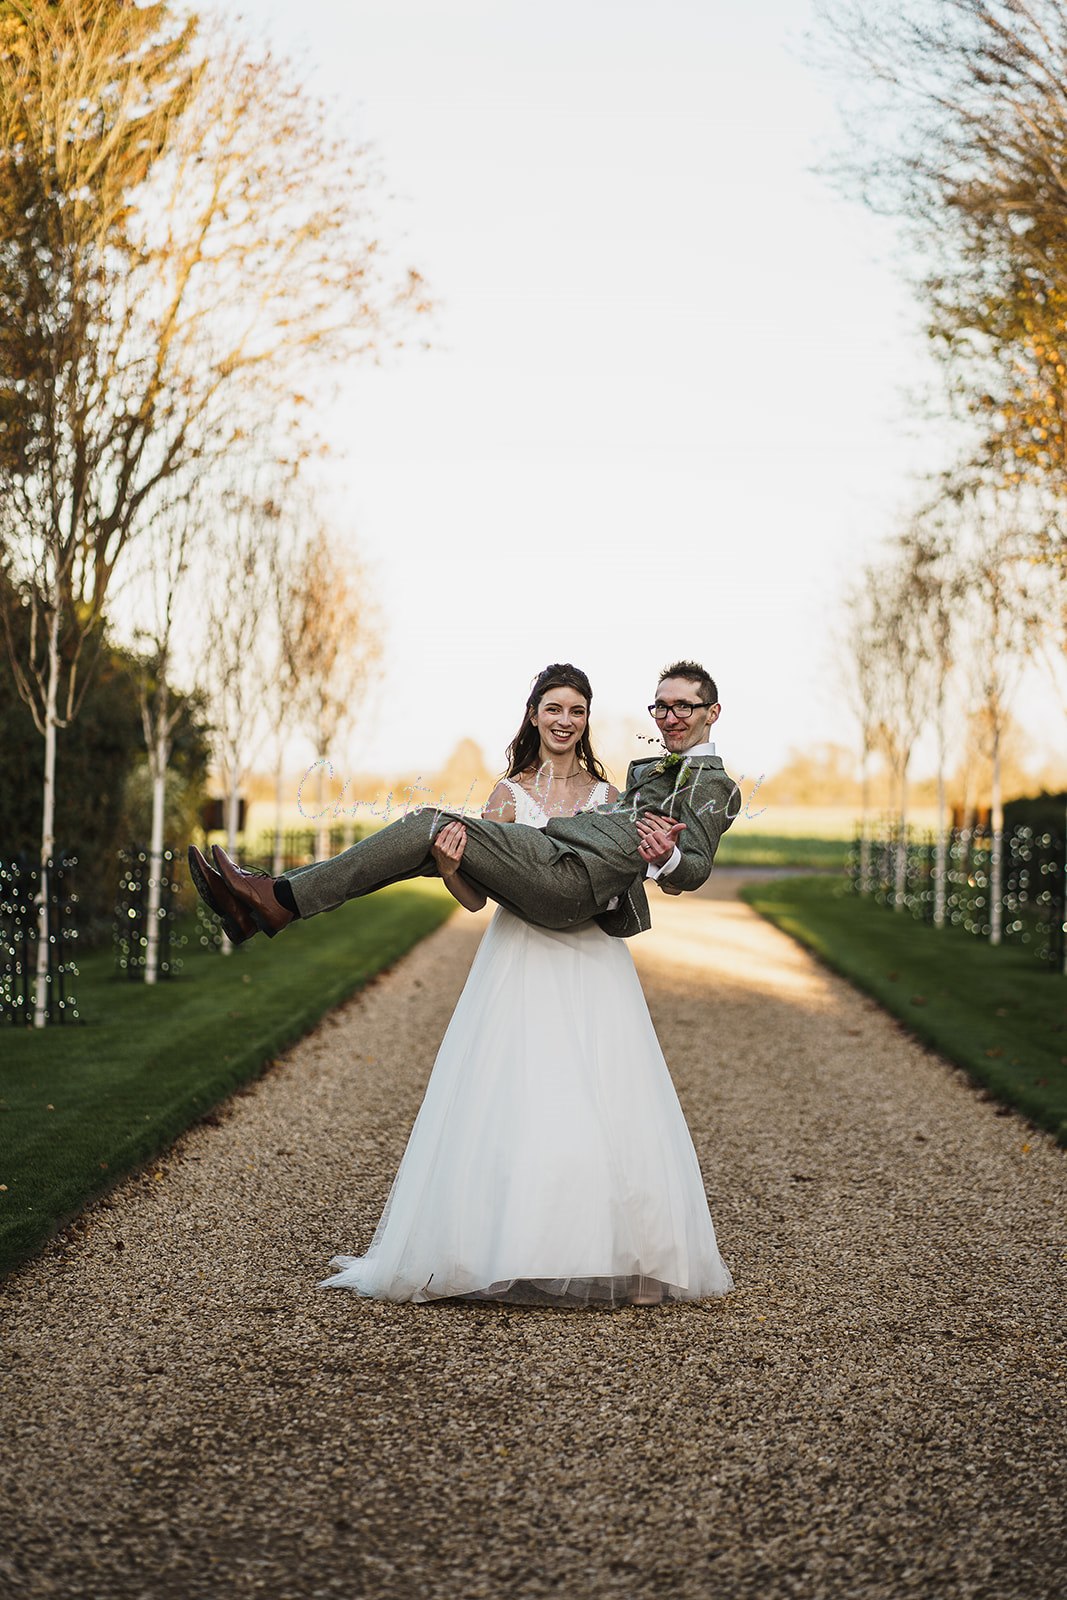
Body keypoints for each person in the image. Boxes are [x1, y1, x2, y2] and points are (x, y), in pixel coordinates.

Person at [313, 662, 735, 1307]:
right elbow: (475, 900)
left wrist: (662, 857)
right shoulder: (508, 795)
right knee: (515, 1093)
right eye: (554, 709)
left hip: (589, 952)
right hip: (520, 952)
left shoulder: (612, 794)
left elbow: (660, 862)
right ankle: (498, 1247)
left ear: (587, 720)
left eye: (577, 711)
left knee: (597, 1095)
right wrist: (453, 867)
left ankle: (598, 1249)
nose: (565, 721)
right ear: (534, 715)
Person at [187, 659, 742, 946]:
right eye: (661, 707)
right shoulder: (646, 768)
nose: (671, 717)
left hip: (572, 880)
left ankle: (278, 897)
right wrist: (453, 867)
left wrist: (666, 856)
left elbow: (691, 870)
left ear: (711, 713)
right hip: (559, 864)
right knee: (429, 847)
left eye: (685, 707)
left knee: (430, 821)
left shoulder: (714, 784)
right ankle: (260, 909)